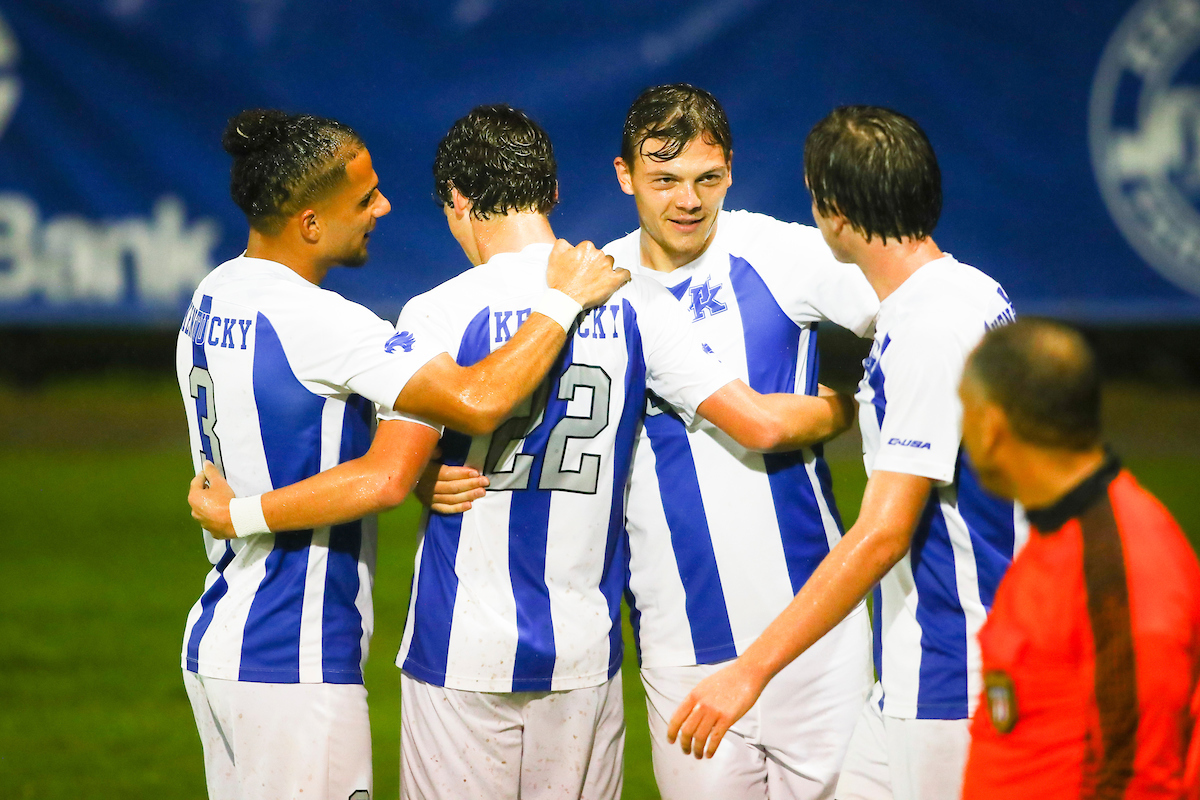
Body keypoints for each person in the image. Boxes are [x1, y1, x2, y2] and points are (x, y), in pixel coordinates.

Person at [198, 102, 857, 800]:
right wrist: (841, 406)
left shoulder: (440, 311)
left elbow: (393, 466)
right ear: (553, 192)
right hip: (582, 651)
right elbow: (756, 422)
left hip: (461, 652)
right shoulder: (629, 300)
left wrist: (421, 472)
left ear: (457, 202)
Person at [420, 85, 879, 800]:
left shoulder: (784, 255)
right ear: (624, 175)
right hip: (679, 646)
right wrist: (426, 477)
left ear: (730, 171)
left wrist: (875, 414)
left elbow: (908, 314)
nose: (689, 201)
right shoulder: (596, 284)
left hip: (818, 634)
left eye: (707, 179)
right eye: (665, 180)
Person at [178, 108, 627, 800]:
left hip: (219, 639)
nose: (383, 208)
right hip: (292, 654)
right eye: (363, 199)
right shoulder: (329, 323)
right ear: (309, 222)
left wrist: (418, 467)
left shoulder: (213, 295)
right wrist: (560, 303)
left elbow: (338, 442)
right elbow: (473, 405)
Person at [667, 105, 1024, 800]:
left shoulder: (928, 328)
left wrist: (751, 669)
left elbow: (886, 532)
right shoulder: (967, 290)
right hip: (922, 659)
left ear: (833, 212)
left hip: (955, 671)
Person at [956, 319, 1200, 798]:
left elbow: (1139, 782)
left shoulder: (1119, 567)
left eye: (964, 410)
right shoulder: (1060, 533)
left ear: (991, 426)